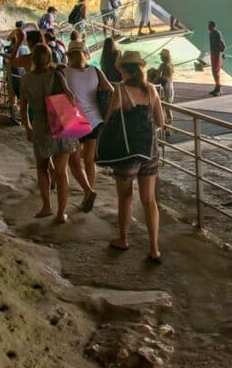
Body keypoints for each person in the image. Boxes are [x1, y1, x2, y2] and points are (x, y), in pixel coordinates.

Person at [101, 51, 165, 262]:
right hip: (149, 150)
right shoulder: (152, 89)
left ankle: (123, 238)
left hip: (127, 152)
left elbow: (110, 117)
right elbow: (161, 121)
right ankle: (154, 248)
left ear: (123, 70)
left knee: (125, 197)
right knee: (149, 200)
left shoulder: (120, 90)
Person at [19, 44, 80, 224]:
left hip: (39, 123)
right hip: (60, 120)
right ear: (49, 57)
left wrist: (28, 128)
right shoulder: (56, 75)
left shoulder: (25, 80)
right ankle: (61, 213)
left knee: (42, 167)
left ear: (33, 59)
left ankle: (46, 206)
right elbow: (70, 97)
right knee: (61, 172)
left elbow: (23, 109)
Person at [64, 41, 114, 212]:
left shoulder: (64, 73)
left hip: (75, 120)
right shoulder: (95, 70)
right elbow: (110, 89)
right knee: (89, 160)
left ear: (69, 56)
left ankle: (88, 191)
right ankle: (89, 193)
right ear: (85, 54)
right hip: (96, 119)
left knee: (74, 161)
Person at [154, 48, 175, 124]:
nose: (160, 57)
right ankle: (169, 125)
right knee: (168, 108)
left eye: (161, 55)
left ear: (164, 56)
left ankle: (168, 127)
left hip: (166, 89)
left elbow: (157, 77)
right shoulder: (170, 64)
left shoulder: (163, 65)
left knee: (166, 109)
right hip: (171, 88)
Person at [208, 20, 226, 96]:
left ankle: (219, 88)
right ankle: (217, 86)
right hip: (213, 53)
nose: (208, 27)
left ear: (213, 26)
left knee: (216, 70)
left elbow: (222, 44)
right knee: (213, 71)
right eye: (208, 26)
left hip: (217, 53)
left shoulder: (217, 33)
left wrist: (222, 53)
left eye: (209, 25)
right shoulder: (210, 34)